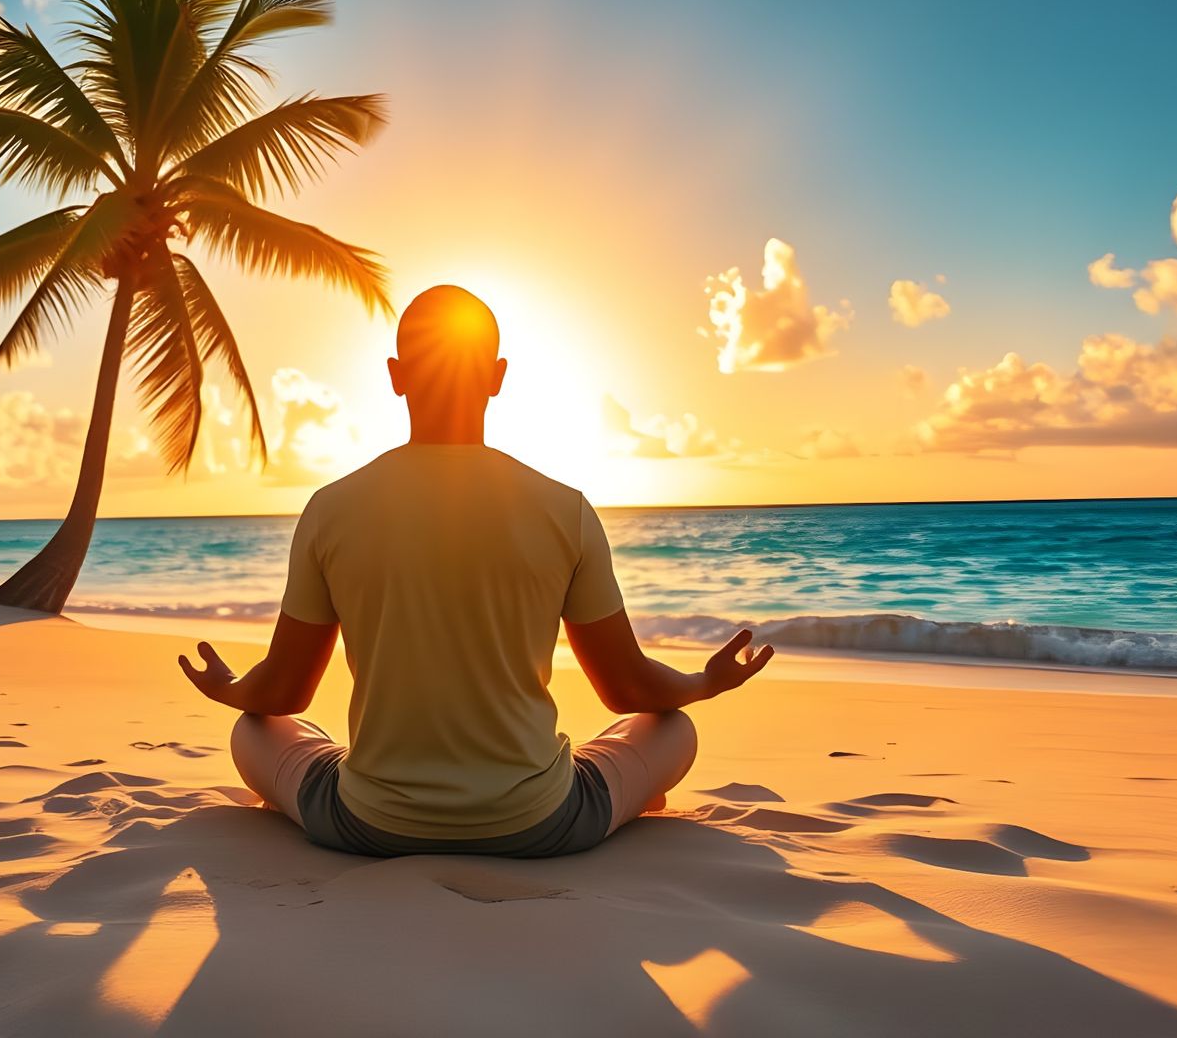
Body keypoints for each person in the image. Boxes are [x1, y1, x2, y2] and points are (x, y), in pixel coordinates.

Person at [179, 285, 774, 857]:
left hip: (368, 824)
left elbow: (284, 692)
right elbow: (628, 691)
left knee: (252, 731)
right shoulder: (565, 508)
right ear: (496, 376)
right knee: (674, 729)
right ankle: (626, 794)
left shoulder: (330, 508)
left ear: (396, 375)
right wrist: (705, 681)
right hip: (541, 823)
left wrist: (230, 688)